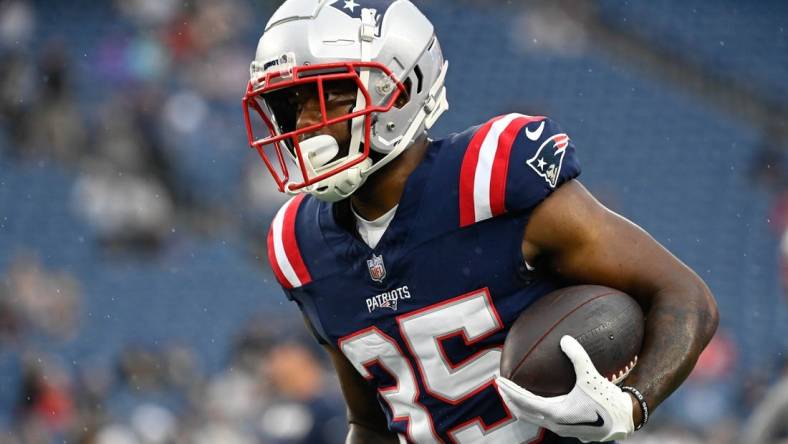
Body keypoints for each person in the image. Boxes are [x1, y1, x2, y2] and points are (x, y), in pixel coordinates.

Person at [241, 1, 719, 442]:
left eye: (329, 96)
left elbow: (685, 296)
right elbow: (371, 421)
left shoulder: (488, 179)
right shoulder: (297, 244)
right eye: (292, 105)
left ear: (399, 89)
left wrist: (631, 404)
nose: (305, 124)